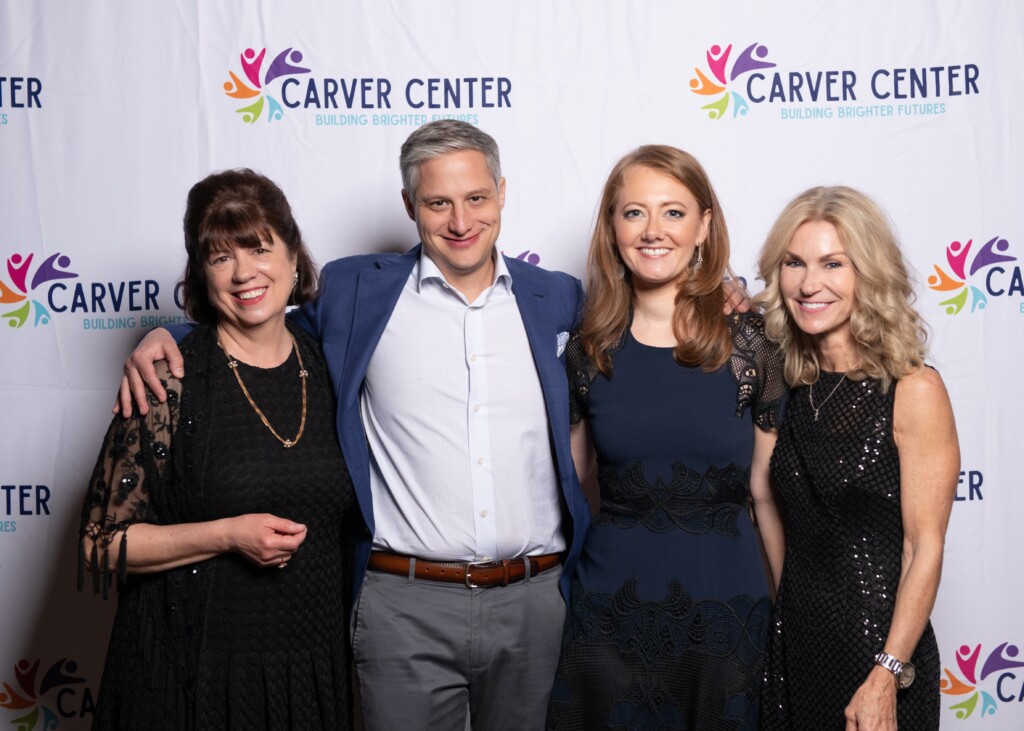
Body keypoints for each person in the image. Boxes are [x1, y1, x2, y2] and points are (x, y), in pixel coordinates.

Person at [115, 121, 592, 731]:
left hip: (533, 600)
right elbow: (260, 325)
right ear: (408, 206)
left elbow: (641, 333)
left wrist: (727, 299)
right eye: (437, 202)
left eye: (476, 198)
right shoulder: (355, 292)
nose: (460, 220)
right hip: (404, 603)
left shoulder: (559, 298)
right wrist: (169, 336)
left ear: (501, 192)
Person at [79, 169, 354, 730]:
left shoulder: (334, 367)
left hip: (311, 667)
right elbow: (101, 544)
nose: (244, 272)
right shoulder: (167, 381)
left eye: (258, 248)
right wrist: (227, 535)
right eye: (220, 258)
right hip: (191, 671)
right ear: (202, 277)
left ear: (294, 256)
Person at [546, 145, 786, 730]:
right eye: (634, 213)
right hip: (608, 623)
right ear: (611, 227)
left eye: (673, 212)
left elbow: (766, 494)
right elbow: (571, 487)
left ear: (704, 225)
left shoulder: (751, 345)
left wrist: (788, 617)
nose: (653, 231)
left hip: (726, 621)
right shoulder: (586, 353)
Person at [755, 186, 959, 730]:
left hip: (878, 655)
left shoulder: (913, 388)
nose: (809, 283)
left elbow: (924, 546)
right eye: (794, 263)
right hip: (794, 647)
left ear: (867, 274)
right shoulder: (787, 382)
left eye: (832, 264)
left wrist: (888, 673)